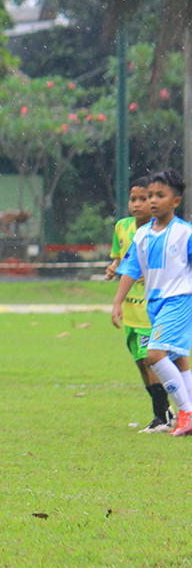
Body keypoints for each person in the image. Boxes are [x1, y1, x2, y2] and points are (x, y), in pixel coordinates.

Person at [112, 169, 192, 437]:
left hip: (179, 301)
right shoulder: (142, 234)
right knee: (180, 358)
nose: (153, 200)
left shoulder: (185, 233)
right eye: (150, 195)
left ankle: (185, 412)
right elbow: (130, 269)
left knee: (155, 354)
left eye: (160, 195)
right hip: (155, 304)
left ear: (176, 202)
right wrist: (117, 302)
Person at [105, 176, 174, 432]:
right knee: (140, 362)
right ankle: (164, 413)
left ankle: (163, 416)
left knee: (151, 359)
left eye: (143, 199)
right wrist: (113, 268)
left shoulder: (162, 231)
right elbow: (119, 259)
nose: (137, 204)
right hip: (130, 310)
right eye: (133, 199)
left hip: (151, 309)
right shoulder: (122, 227)